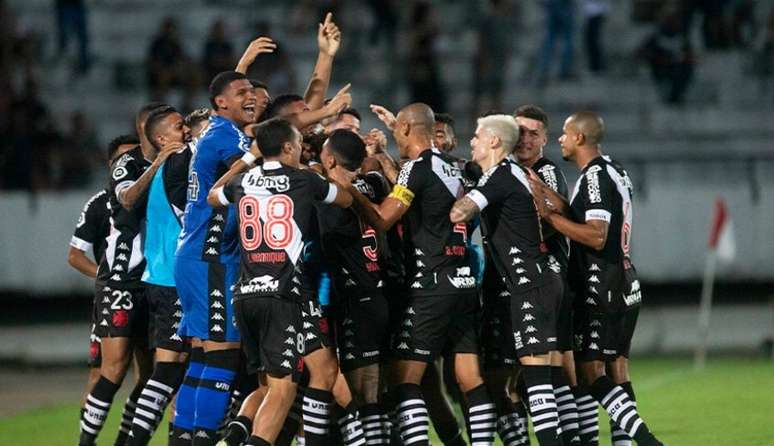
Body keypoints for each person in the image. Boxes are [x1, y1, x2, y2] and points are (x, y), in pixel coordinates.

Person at [346, 103, 496, 446]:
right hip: (463, 282)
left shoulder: (416, 168)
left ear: (407, 130)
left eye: (399, 131)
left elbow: (384, 218)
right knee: (470, 378)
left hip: (430, 284)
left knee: (404, 380)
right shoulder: (456, 168)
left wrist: (349, 191)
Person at [206, 118, 353, 446]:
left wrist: (246, 163)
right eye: (298, 142)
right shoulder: (304, 181)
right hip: (282, 295)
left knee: (313, 371)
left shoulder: (241, 183)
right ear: (288, 147)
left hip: (246, 295)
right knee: (283, 390)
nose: (301, 147)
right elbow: (344, 199)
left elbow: (213, 198)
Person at [529, 112, 664, 446]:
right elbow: (586, 216)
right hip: (625, 279)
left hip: (601, 283)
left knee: (592, 374)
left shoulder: (594, 176)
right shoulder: (614, 168)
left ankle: (647, 440)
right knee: (618, 370)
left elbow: (596, 235)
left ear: (579, 138)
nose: (560, 139)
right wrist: (551, 195)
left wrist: (549, 218)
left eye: (564, 133)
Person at [450, 114, 564, 446]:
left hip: (531, 285)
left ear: (495, 142)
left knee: (538, 383)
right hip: (536, 283)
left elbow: (460, 212)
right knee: (536, 382)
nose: (471, 141)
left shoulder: (499, 177)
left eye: (476, 135)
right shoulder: (508, 173)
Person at [78, 103, 180, 446]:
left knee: (153, 374)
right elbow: (128, 198)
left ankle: (125, 441)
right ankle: (86, 442)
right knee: (113, 368)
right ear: (146, 128)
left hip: (157, 280)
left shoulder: (177, 160)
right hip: (122, 279)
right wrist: (159, 163)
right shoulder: (127, 164)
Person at [172, 71, 255, 445]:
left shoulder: (218, 131)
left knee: (203, 359)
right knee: (223, 357)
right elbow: (251, 171)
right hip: (211, 257)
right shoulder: (226, 136)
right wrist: (256, 156)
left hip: (195, 255)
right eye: (243, 93)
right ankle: (203, 439)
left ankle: (183, 439)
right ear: (222, 103)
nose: (251, 98)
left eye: (253, 91)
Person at [317, 129, 390, 445]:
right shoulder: (374, 183)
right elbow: (373, 170)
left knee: (352, 392)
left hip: (351, 297)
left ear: (330, 159)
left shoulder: (327, 201)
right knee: (370, 390)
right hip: (376, 293)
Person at [125, 105, 193, 445]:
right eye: (180, 127)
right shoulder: (175, 165)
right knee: (169, 369)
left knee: (179, 369)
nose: (187, 131)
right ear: (162, 138)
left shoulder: (163, 169)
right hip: (171, 280)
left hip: (164, 278)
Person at [514, 105, 582, 445]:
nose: (525, 139)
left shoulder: (546, 172)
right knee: (548, 369)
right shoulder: (507, 170)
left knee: (555, 367)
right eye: (520, 132)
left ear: (544, 139)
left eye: (533, 133)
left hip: (547, 277)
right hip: (520, 280)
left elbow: (555, 216)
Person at [68, 134, 137, 423]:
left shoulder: (154, 197)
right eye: (123, 159)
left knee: (151, 374)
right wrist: (107, 275)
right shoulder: (98, 204)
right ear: (111, 165)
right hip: (115, 296)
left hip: (150, 291)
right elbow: (75, 255)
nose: (131, 164)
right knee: (101, 372)